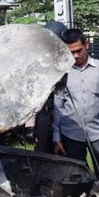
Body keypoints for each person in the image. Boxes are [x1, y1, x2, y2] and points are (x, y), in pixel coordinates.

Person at [53, 28, 99, 184]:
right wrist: (56, 136)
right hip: (71, 134)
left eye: (79, 50)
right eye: (71, 52)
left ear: (87, 45)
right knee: (76, 177)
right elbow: (58, 104)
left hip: (98, 133)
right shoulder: (63, 71)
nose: (76, 56)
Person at [33, 21, 68, 153]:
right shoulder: (38, 64)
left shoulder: (69, 62)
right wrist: (31, 127)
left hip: (65, 113)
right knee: (43, 154)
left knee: (67, 152)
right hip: (45, 114)